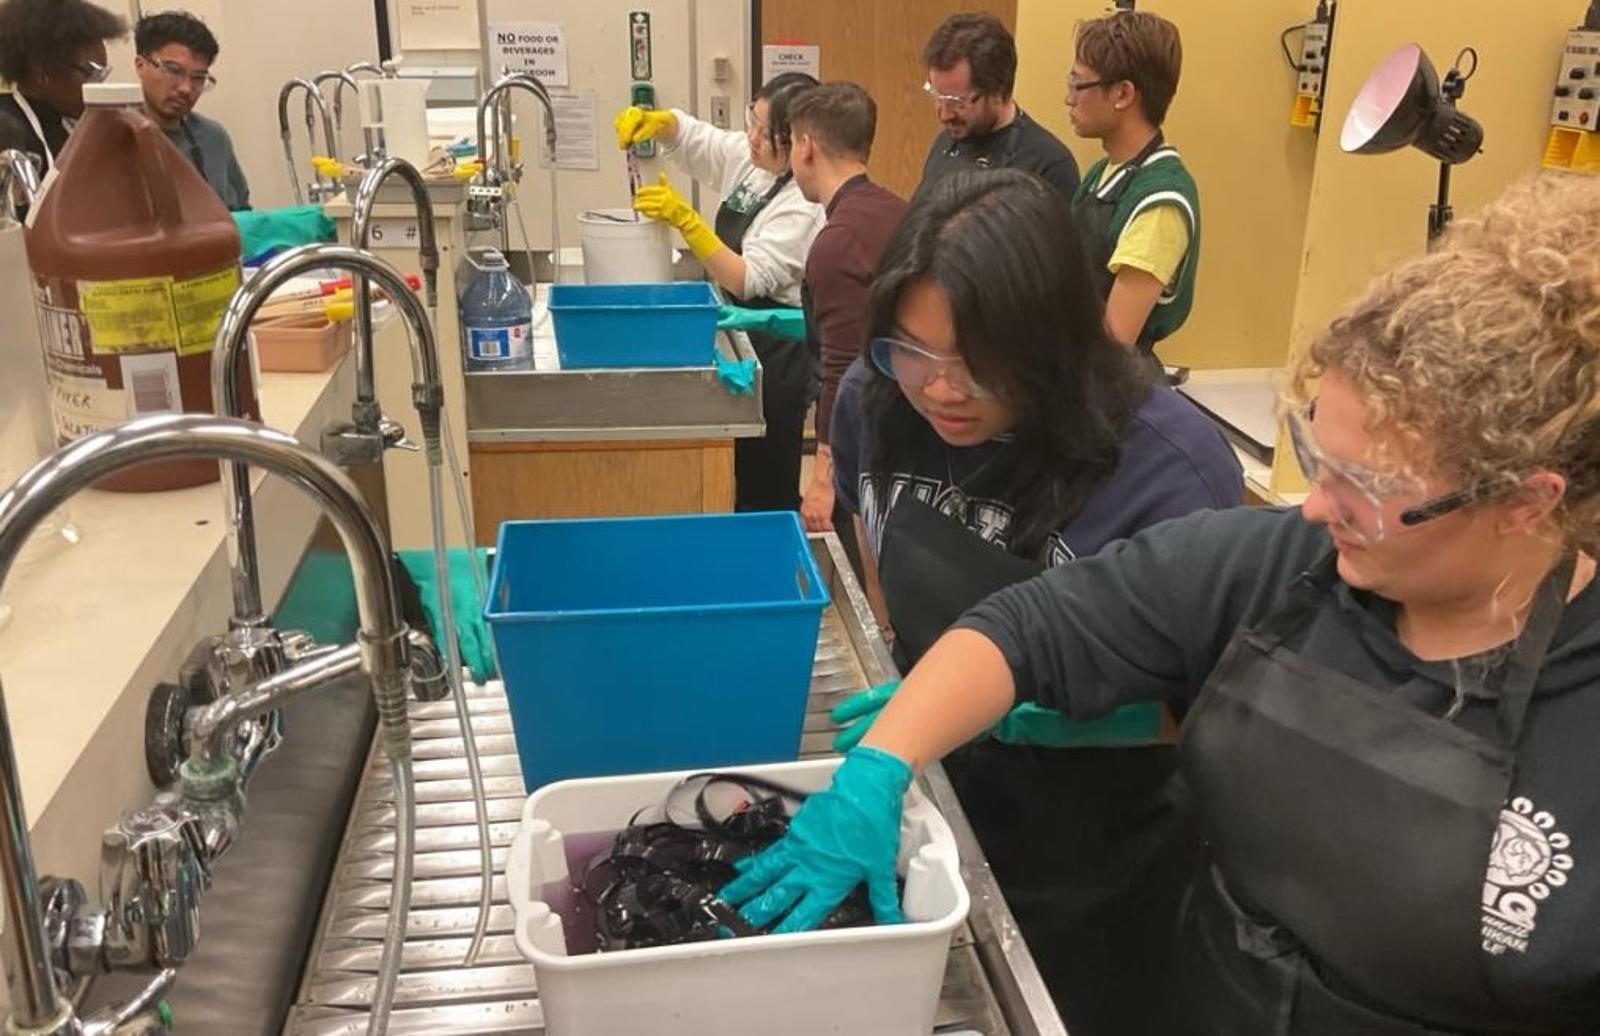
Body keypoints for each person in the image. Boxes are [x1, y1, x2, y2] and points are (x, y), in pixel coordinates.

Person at [724, 172, 1600, 1035]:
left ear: (1526, 501)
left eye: (1367, 486)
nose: (1317, 505)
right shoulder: (1280, 563)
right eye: (1314, 455)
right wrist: (885, 763)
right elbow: (1029, 625)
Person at [824, 167, 1239, 1036]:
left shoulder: (1168, 468)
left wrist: (1018, 717)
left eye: (978, 364)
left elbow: (1208, 717)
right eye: (914, 351)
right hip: (930, 801)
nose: (940, 389)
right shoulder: (875, 397)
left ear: (1052, 343)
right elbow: (871, 544)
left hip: (1096, 860)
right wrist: (913, 700)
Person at [616, 74, 825, 512]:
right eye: (753, 118)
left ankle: (767, 553)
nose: (750, 136)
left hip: (778, 350)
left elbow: (746, 278)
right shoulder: (754, 162)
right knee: (732, 466)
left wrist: (687, 222)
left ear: (798, 143)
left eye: (764, 132)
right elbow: (700, 140)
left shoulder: (803, 205)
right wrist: (661, 122)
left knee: (764, 477)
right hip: (740, 332)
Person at [786, 82, 907, 539]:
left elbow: (842, 368)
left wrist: (823, 479)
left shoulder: (837, 243)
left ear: (806, 146)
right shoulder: (897, 209)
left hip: (868, 444)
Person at [1067, 10, 1198, 353]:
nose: (1069, 98)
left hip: (1111, 389)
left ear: (1123, 94)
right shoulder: (1101, 173)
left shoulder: (1159, 200)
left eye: (1078, 84)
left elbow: (1113, 345)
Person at [912, 13, 1079, 207]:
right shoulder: (944, 144)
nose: (944, 114)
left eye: (956, 102)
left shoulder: (1049, 166)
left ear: (997, 92)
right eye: (937, 96)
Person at [133, 10, 249, 210]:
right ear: (141, 65)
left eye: (198, 78)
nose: (186, 88)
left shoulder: (214, 138)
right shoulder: (113, 138)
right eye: (174, 71)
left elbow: (241, 215)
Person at [0, 0, 125, 172]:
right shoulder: (7, 129)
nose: (98, 85)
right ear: (41, 70)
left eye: (103, 74)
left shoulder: (88, 125)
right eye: (90, 73)